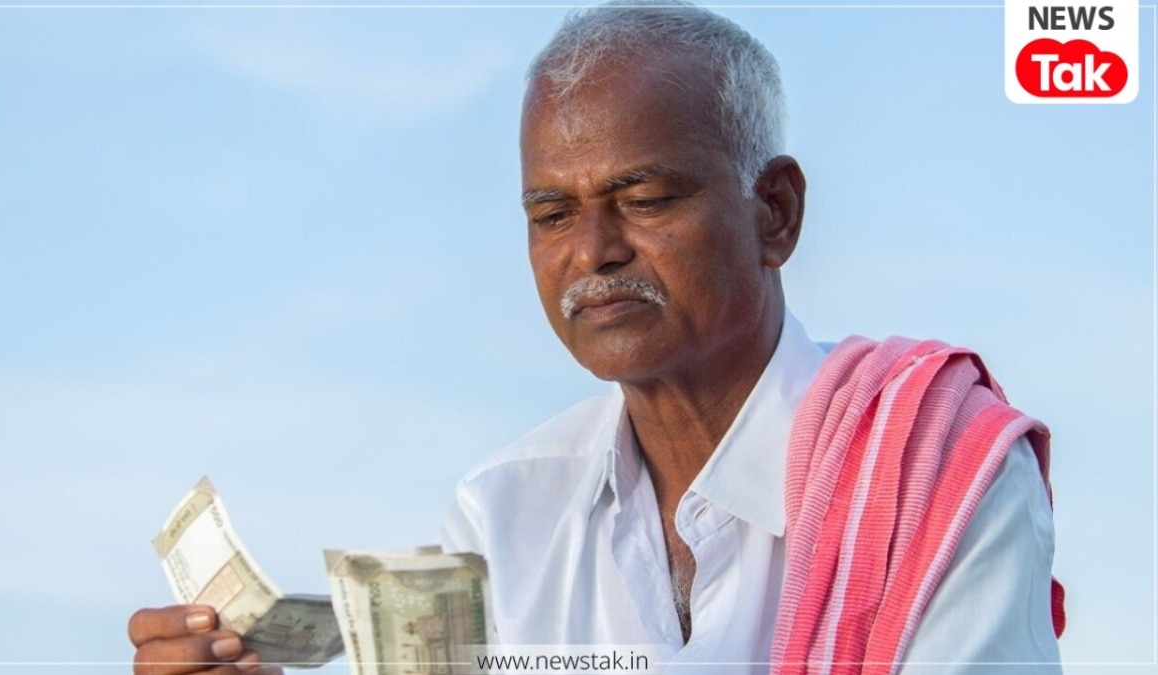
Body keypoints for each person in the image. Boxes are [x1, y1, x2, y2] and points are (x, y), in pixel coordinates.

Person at [128, 2, 1063, 673]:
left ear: (773, 213)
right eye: (550, 213)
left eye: (645, 198)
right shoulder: (504, 513)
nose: (593, 251)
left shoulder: (935, 473)